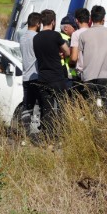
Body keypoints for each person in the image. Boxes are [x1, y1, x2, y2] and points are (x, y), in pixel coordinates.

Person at [71, 5, 107, 108]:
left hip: (88, 76)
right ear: (103, 18)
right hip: (106, 76)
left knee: (89, 108)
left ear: (91, 19)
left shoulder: (83, 35)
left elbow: (79, 56)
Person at [33, 9, 71, 137]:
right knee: (63, 105)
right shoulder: (55, 36)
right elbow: (67, 52)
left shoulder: (36, 38)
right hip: (57, 77)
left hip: (43, 77)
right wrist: (60, 54)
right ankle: (62, 133)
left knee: (46, 108)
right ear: (53, 21)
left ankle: (47, 135)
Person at [18, 11, 42, 130]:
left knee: (27, 107)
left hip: (25, 76)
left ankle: (24, 132)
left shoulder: (22, 37)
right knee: (40, 105)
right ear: (38, 23)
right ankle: (37, 131)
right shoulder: (36, 38)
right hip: (35, 75)